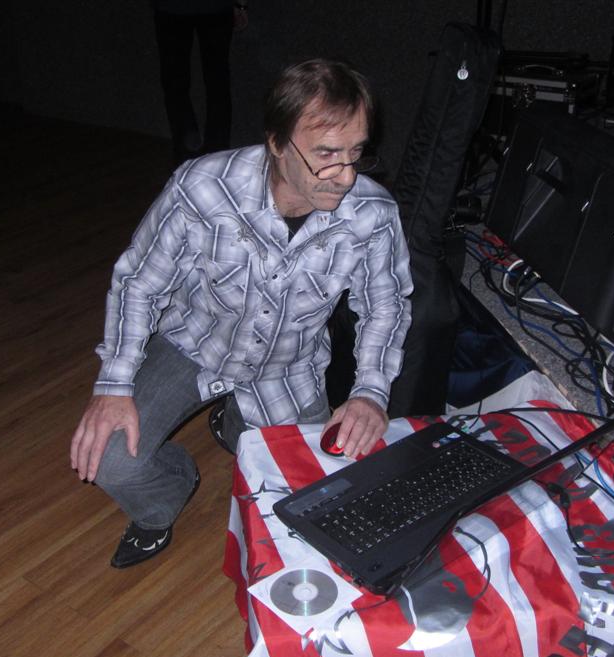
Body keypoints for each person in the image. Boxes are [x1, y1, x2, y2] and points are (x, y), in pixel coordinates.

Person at [70, 59, 413, 569]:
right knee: (111, 460)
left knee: (320, 500)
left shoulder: (374, 214)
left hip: (286, 367)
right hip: (194, 344)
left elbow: (385, 305)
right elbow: (138, 283)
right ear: (276, 142)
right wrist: (113, 386)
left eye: (355, 153)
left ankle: (235, 427)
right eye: (326, 155)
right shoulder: (202, 187)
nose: (345, 176)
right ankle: (166, 499)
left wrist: (369, 392)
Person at [153, 0, 249, 165]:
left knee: (176, 83)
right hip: (213, 8)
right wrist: (241, 4)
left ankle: (186, 155)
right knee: (217, 82)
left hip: (173, 8)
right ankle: (216, 156)